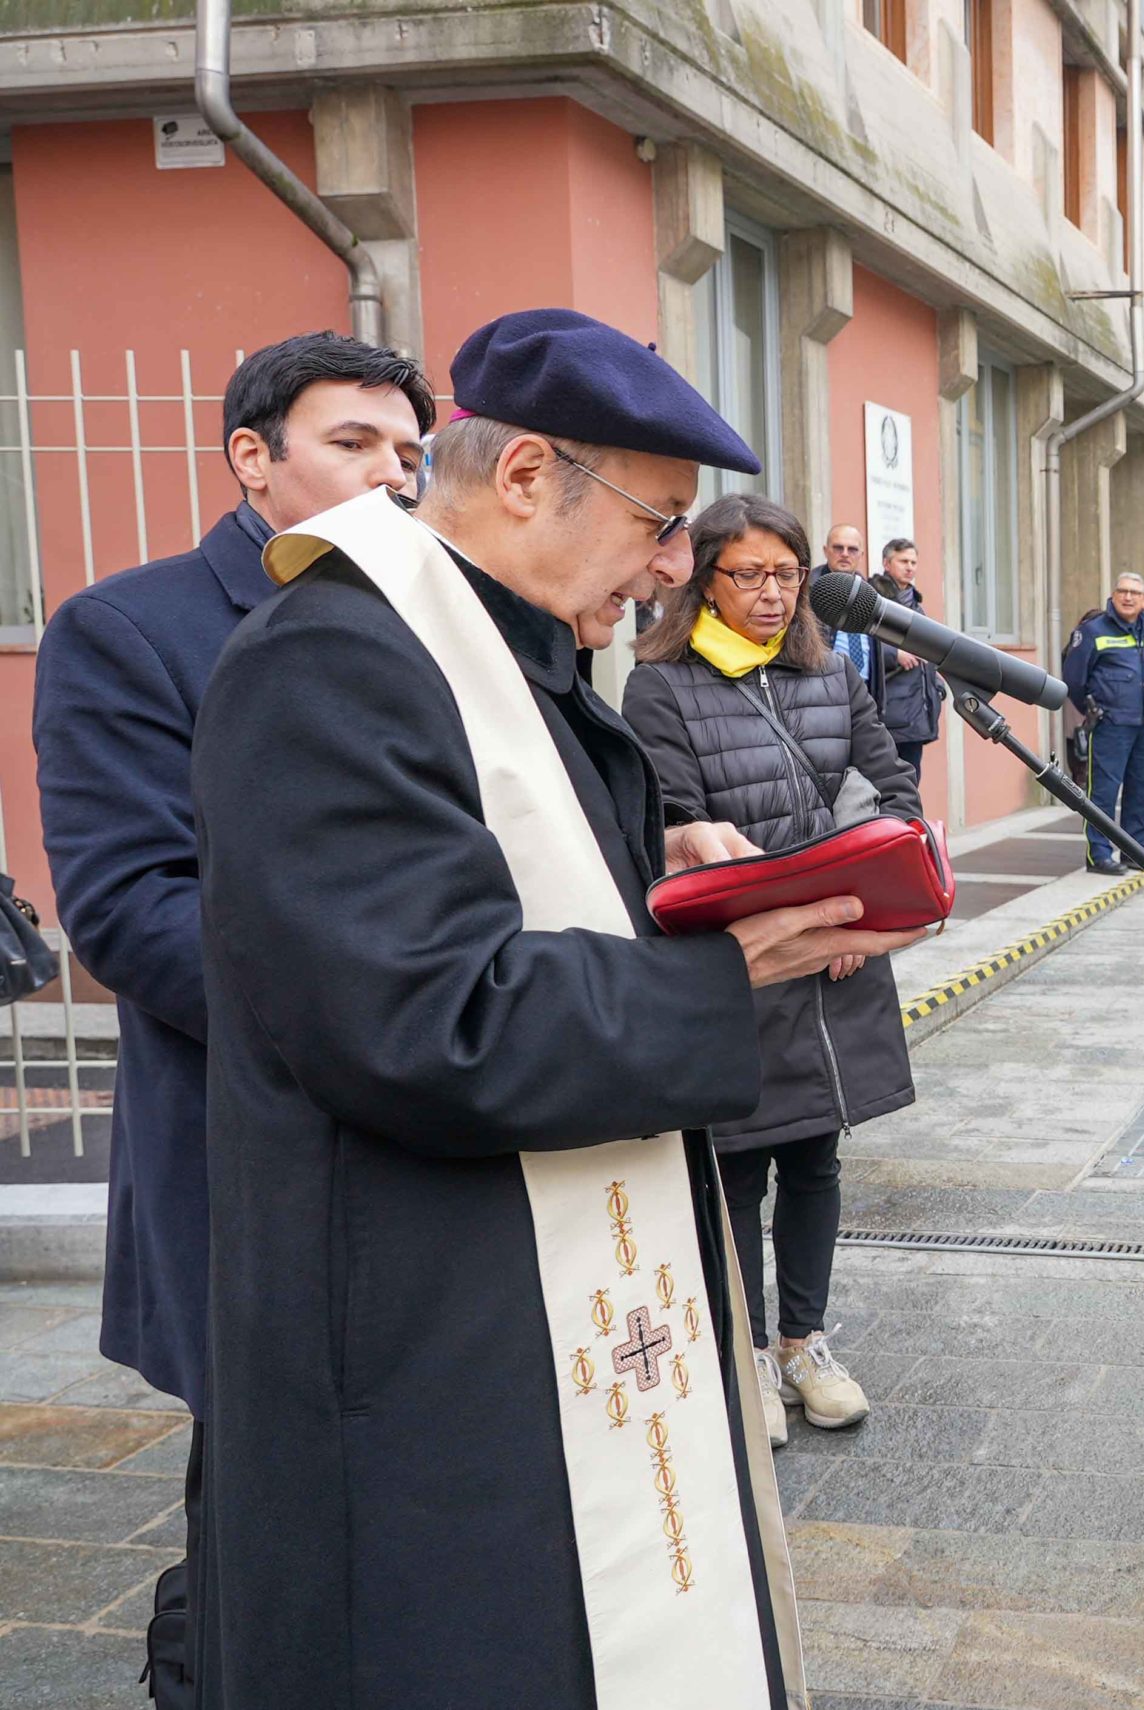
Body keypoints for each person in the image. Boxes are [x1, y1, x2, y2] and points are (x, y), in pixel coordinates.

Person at [187, 307, 919, 1708]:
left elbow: (519, 908)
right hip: (422, 1340)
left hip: (530, 1311)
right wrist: (721, 970)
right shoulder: (331, 660)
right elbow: (423, 1018)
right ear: (526, 475)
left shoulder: (525, 663)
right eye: (659, 523)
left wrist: (663, 880)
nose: (673, 568)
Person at [32, 330, 433, 1707]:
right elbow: (134, 913)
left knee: (393, 1518)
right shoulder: (131, 627)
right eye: (353, 442)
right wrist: (387, 1019)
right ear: (250, 457)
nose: (392, 474)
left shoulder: (438, 618)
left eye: (408, 451)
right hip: (257, 1150)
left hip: (430, 1132)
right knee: (266, 1528)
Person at [625, 494, 920, 1448]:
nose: (772, 594)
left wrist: (860, 908)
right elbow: (675, 828)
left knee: (817, 1158)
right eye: (749, 574)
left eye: (788, 575)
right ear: (705, 579)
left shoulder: (832, 672)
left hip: (841, 957)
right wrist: (787, 923)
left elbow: (890, 790)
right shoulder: (661, 687)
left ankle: (803, 1343)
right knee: (738, 1166)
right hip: (741, 966)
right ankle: (745, 1351)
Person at [1063, 573, 1144, 875]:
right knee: (1103, 792)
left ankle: (1134, 852)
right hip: (1110, 725)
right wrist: (1096, 709)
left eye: (1135, 592)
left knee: (1141, 790)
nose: (1128, 597)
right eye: (1122, 591)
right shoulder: (1093, 631)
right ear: (1113, 594)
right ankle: (1099, 854)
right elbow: (1074, 679)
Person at [868, 535, 946, 780]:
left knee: (912, 781)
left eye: (913, 562)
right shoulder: (874, 600)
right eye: (903, 561)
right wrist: (894, 655)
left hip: (917, 712)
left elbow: (927, 652)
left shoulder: (915, 605)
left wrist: (937, 687)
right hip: (889, 712)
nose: (910, 567)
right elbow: (859, 646)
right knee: (888, 782)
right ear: (886, 563)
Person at [821, 522, 883, 703]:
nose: (845, 554)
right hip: (825, 692)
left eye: (852, 549)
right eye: (838, 548)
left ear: (861, 555)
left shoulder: (871, 595)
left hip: (864, 692)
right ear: (826, 551)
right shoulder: (809, 591)